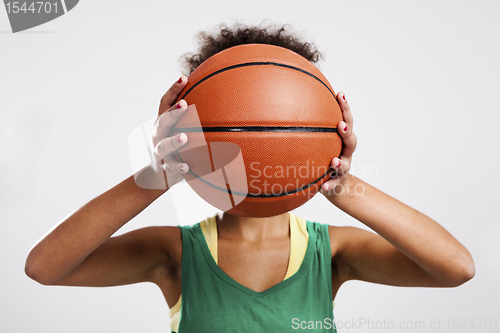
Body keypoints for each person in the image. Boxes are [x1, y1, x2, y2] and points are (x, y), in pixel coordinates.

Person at [25, 24, 475, 333]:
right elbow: (44, 268)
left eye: (283, 117)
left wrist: (340, 183)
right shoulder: (175, 254)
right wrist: (160, 173)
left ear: (312, 123)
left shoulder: (333, 253)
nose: (258, 129)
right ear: (193, 131)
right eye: (235, 121)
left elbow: (457, 268)